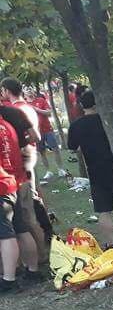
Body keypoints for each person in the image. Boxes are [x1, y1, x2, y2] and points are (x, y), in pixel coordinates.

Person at [66, 91, 113, 249]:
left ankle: (110, 243)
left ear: (82, 105)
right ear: (97, 103)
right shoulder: (108, 121)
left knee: (104, 210)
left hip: (95, 170)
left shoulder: (76, 125)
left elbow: (72, 148)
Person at [0, 77, 48, 266]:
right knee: (26, 218)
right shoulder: (17, 112)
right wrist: (21, 146)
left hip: (9, 173)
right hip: (22, 166)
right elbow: (35, 136)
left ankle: (16, 265)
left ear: (6, 90)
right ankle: (39, 258)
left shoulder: (13, 112)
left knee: (14, 223)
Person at [0, 113, 24, 291]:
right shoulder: (6, 126)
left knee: (5, 233)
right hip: (11, 180)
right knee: (20, 229)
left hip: (2, 184)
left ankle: (9, 279)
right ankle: (20, 271)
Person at [26, 87, 69, 181]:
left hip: (47, 129)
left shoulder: (41, 100)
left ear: (33, 91)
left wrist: (36, 109)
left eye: (30, 89)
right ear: (24, 93)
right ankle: (48, 171)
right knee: (42, 152)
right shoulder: (25, 104)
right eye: (27, 90)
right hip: (36, 132)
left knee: (55, 149)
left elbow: (49, 112)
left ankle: (60, 169)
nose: (29, 91)